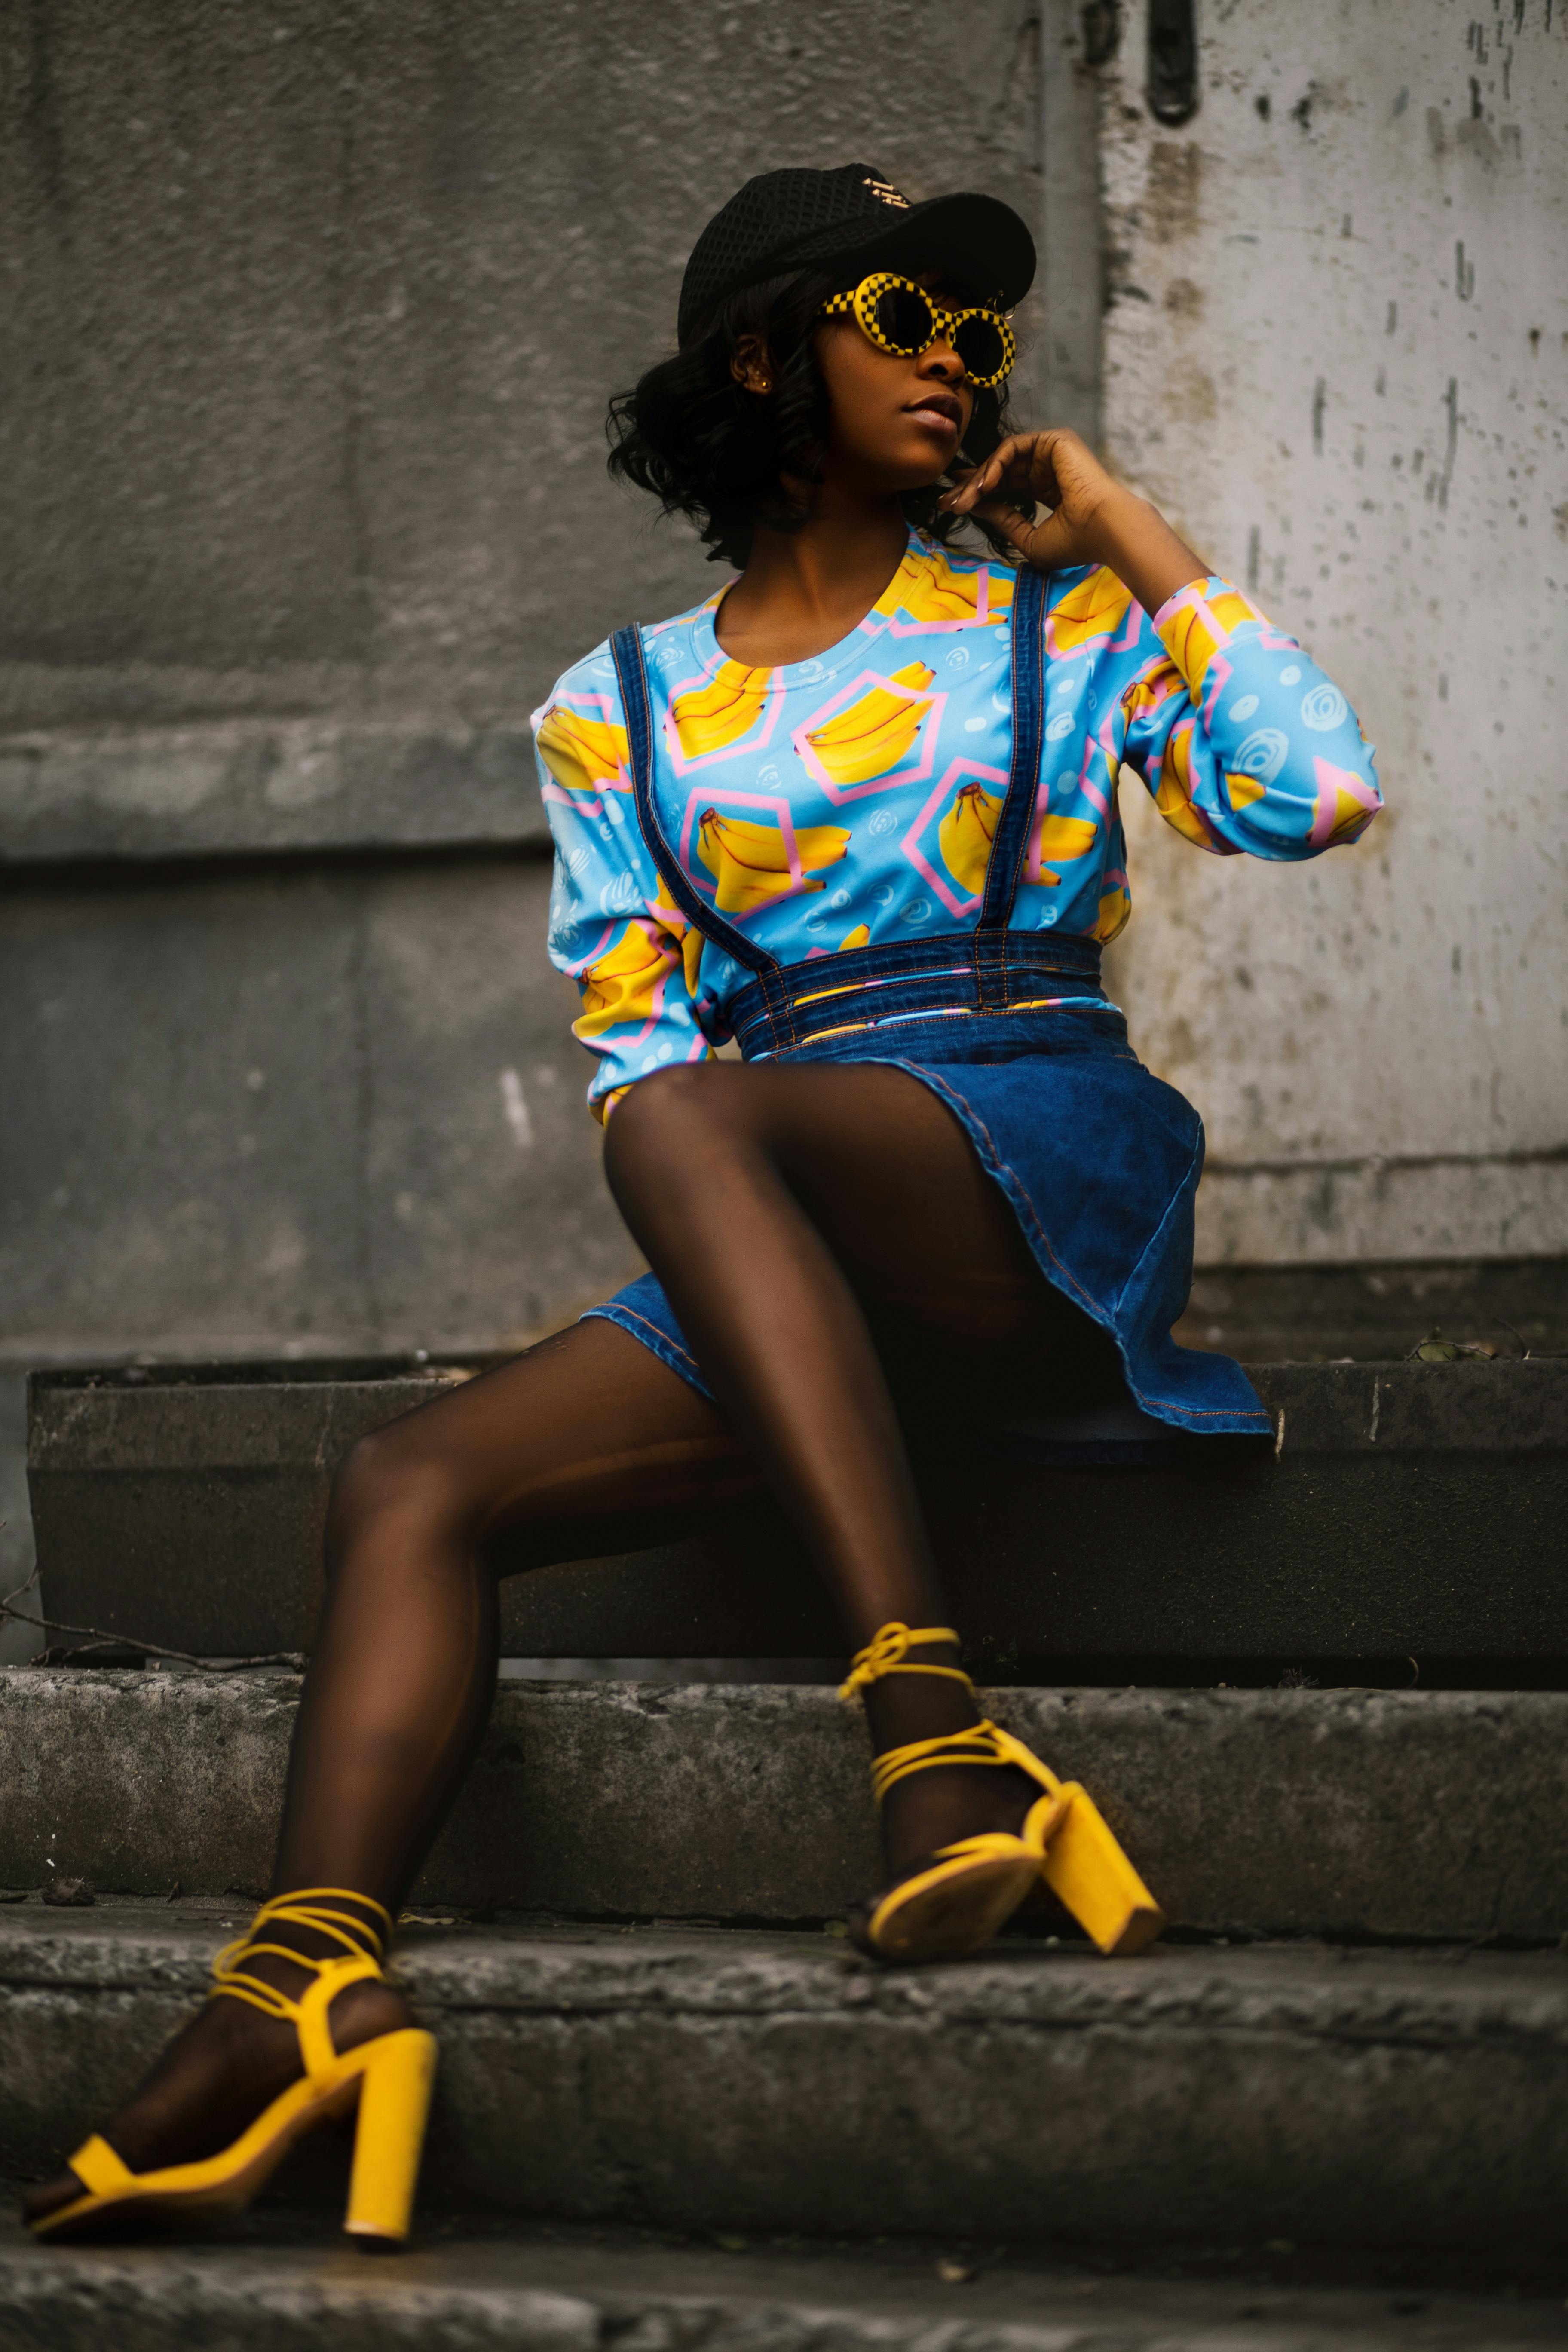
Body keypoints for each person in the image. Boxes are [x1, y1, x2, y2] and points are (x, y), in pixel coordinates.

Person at [24, 163, 1381, 2247]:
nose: (958, 365)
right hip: (779, 1210)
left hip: (1028, 1150)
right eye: (903, 319)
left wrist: (1115, 520)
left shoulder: (1056, 625)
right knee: (408, 1482)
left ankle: (929, 1724)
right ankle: (297, 1994)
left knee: (690, 1130)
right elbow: (640, 1037)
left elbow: (1316, 793)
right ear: (767, 356)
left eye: (979, 336)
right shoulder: (618, 709)